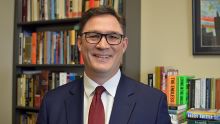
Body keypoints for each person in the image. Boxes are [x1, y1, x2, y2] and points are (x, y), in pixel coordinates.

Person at [37, 6, 171, 124]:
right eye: (94, 36)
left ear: (124, 45)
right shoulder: (52, 103)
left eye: (112, 37)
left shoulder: (153, 103)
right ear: (79, 43)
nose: (102, 45)